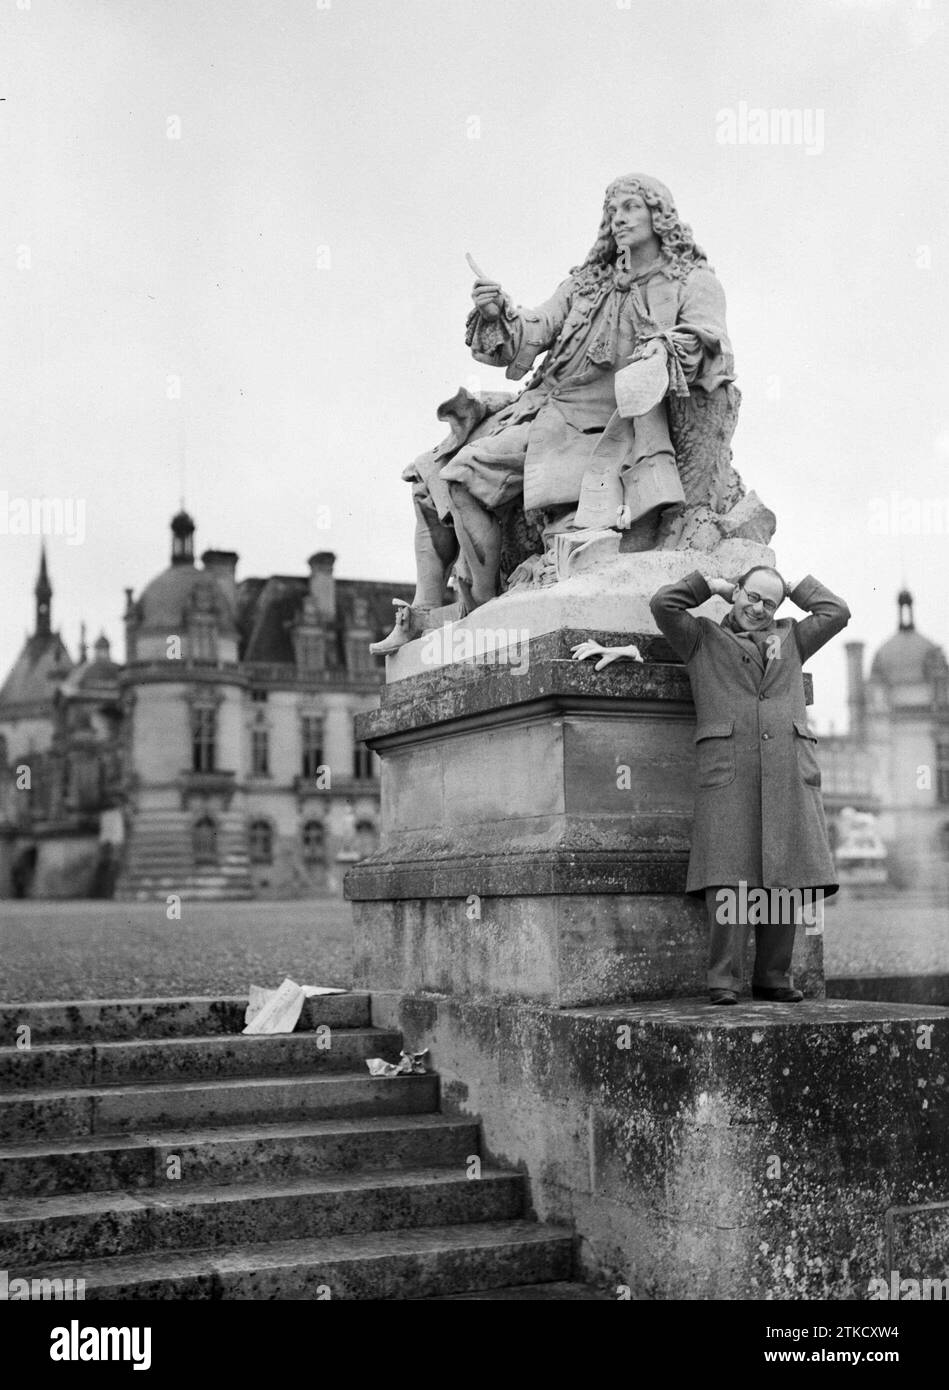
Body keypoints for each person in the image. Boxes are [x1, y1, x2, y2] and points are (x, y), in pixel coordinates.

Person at [370, 173, 738, 654]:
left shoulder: (692, 281)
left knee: (461, 477)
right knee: (430, 479)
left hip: (609, 427)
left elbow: (708, 342)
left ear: (659, 215)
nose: (620, 218)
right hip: (544, 406)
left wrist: (664, 350)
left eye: (631, 207)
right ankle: (428, 613)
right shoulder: (587, 283)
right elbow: (534, 329)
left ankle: (480, 618)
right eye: (614, 210)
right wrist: (498, 310)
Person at [571, 565, 851, 1004]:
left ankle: (774, 977)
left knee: (785, 875)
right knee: (730, 877)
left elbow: (836, 612)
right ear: (736, 593)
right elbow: (664, 604)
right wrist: (711, 586)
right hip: (728, 774)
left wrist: (795, 586)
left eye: (769, 603)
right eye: (752, 597)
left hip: (788, 772)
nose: (758, 609)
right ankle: (724, 979)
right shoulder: (701, 637)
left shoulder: (792, 638)